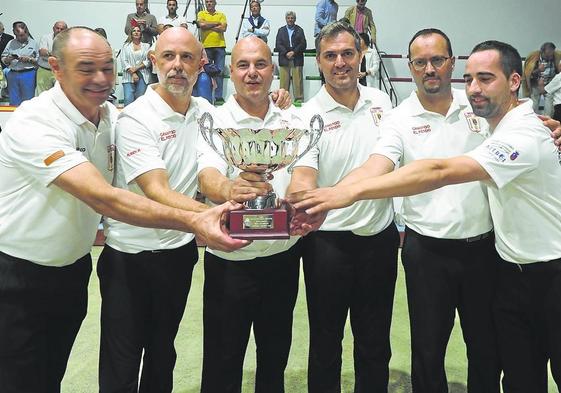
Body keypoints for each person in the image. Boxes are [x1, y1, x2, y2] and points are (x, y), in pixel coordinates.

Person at [290, 40, 561, 393]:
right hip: (440, 255)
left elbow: (438, 170)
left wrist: (342, 194)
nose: (429, 69)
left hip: (502, 256)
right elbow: (378, 163)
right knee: (446, 355)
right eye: (420, 62)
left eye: (438, 60)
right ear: (410, 65)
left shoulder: (485, 112)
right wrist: (332, 197)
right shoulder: (403, 114)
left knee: (488, 352)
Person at [0, 26, 247, 393]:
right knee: (22, 377)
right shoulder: (35, 122)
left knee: (52, 372)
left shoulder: (112, 117)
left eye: (107, 68)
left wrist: (276, 99)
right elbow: (106, 199)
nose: (100, 79)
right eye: (86, 68)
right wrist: (197, 218)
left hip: (73, 269)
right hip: (19, 275)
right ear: (56, 67)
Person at [98, 27, 218, 393]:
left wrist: (274, 97)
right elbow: (157, 190)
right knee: (122, 362)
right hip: (129, 258)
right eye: (168, 57)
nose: (177, 66)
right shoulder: (135, 118)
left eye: (186, 58)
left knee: (163, 355)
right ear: (153, 62)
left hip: (178, 254)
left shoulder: (206, 112)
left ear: (201, 64)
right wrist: (212, 215)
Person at [287, 21, 399, 393]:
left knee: (375, 342)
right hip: (326, 245)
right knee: (325, 342)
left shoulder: (382, 103)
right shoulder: (306, 116)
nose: (340, 63)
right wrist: (303, 197)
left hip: (379, 240)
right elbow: (303, 177)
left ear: (361, 54)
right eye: (330, 56)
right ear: (318, 62)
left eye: (348, 53)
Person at [198, 36, 304, 393]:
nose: (252, 73)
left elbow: (303, 171)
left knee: (275, 358)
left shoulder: (292, 117)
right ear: (232, 71)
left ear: (273, 70)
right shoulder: (214, 119)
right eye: (243, 65)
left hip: (283, 258)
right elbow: (208, 174)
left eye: (260, 64)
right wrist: (230, 190)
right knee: (222, 361)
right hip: (230, 259)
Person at [1, 23, 38, 105]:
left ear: (27, 32)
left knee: (28, 101)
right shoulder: (11, 43)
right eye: (17, 35)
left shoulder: (34, 43)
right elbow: (3, 57)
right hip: (12, 74)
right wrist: (7, 59)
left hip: (28, 74)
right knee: (14, 100)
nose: (19, 38)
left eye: (22, 35)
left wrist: (30, 59)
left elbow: (39, 61)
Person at [197, 0, 227, 103]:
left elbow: (223, 28)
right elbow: (202, 25)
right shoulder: (201, 13)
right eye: (207, 2)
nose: (209, 3)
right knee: (206, 72)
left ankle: (218, 97)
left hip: (220, 46)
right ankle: (207, 95)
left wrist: (208, 25)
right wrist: (216, 23)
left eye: (211, 2)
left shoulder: (221, 14)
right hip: (206, 47)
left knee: (220, 72)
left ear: (215, 3)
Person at [275, 11, 307, 103]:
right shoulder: (281, 30)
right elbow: (278, 44)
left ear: (295, 19)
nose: (290, 20)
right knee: (284, 82)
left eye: (292, 18)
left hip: (297, 58)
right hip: (284, 59)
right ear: (286, 19)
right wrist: (286, 53)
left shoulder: (299, 30)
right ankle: (283, 101)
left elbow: (303, 44)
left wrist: (293, 52)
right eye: (288, 18)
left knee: (298, 82)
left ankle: (299, 101)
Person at [522, 42, 561, 115]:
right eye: (547, 55)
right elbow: (528, 75)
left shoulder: (556, 56)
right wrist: (538, 70)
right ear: (542, 52)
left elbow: (558, 71)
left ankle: (548, 121)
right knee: (533, 105)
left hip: (549, 85)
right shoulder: (533, 57)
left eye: (551, 55)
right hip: (535, 84)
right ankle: (532, 120)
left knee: (549, 107)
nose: (550, 57)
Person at [120, 25, 151, 106]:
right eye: (134, 31)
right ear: (131, 33)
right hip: (128, 76)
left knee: (140, 101)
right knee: (128, 99)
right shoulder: (125, 46)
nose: (136, 32)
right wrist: (133, 73)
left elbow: (148, 61)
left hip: (143, 75)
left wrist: (136, 68)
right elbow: (124, 61)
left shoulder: (146, 46)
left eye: (138, 31)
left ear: (141, 34)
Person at [36, 20, 67, 95]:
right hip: (44, 70)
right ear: (53, 28)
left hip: (60, 72)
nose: (59, 30)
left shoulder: (69, 40)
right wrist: (55, 54)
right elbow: (42, 52)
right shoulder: (45, 37)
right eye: (57, 28)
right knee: (42, 95)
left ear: (66, 30)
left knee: (61, 95)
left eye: (62, 29)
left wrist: (49, 53)